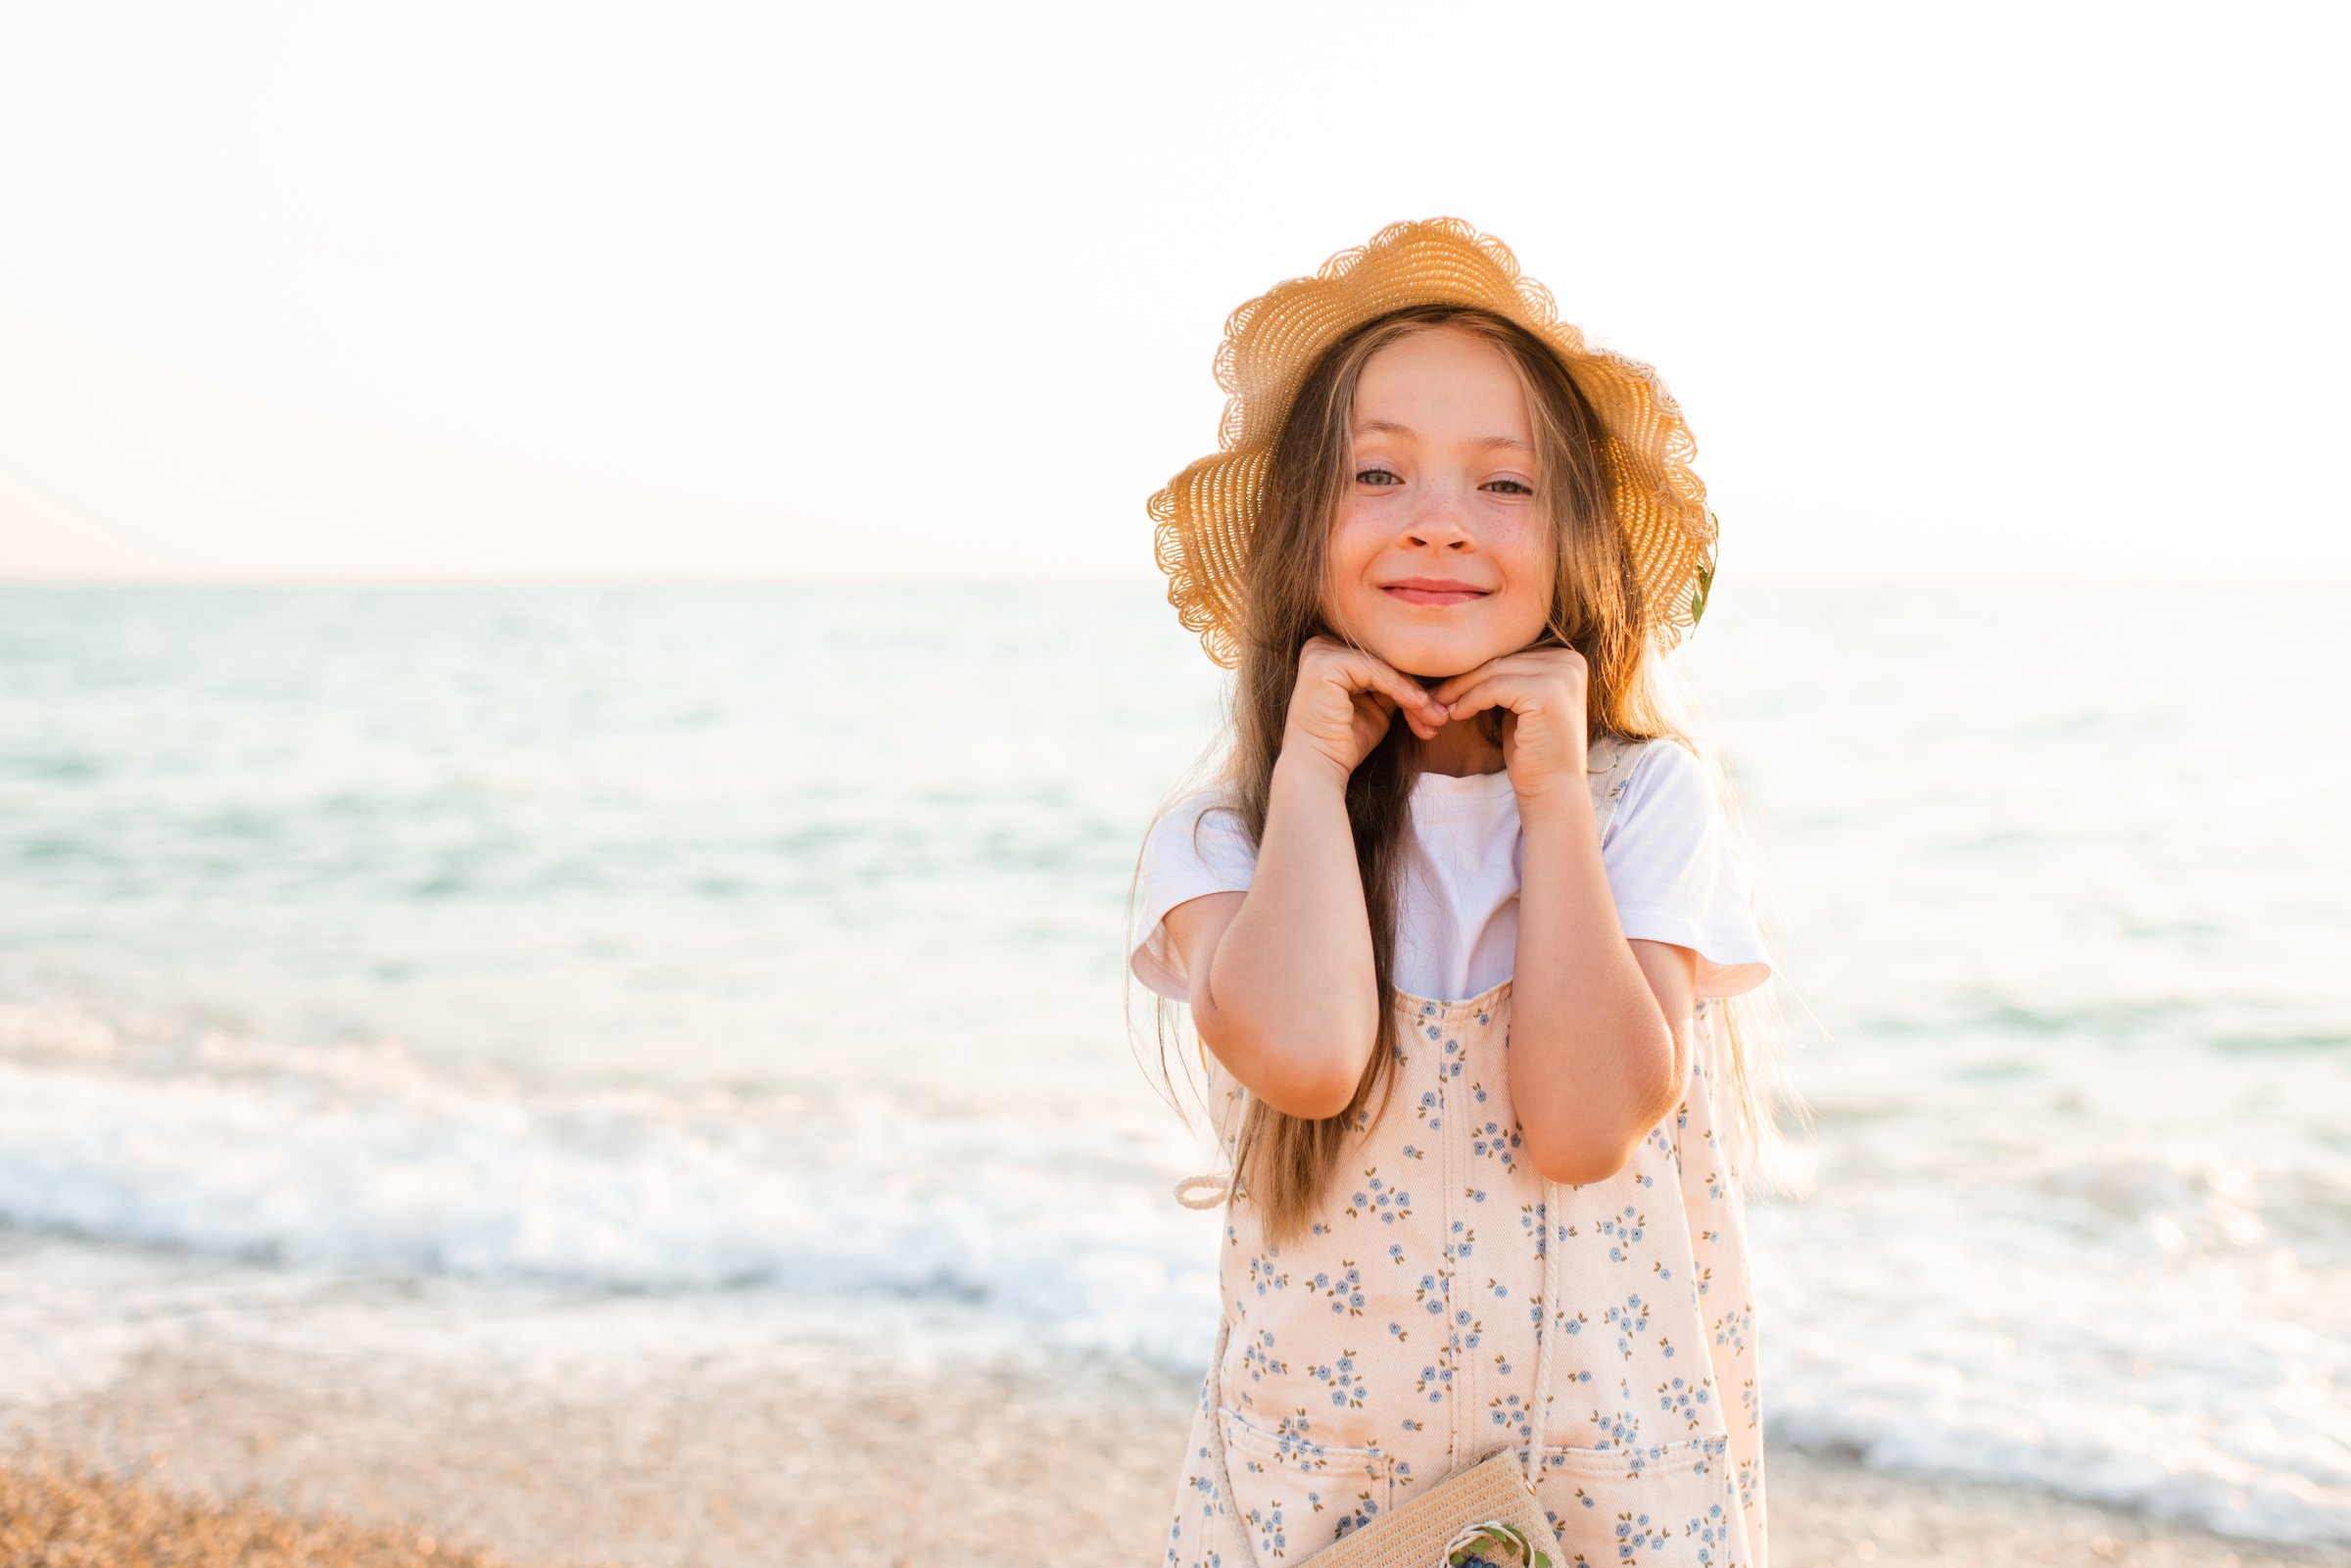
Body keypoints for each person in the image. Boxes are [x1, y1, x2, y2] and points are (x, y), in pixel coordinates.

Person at [1125, 218, 1800, 1567]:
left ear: (1577, 547)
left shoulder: (1638, 803)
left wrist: (1553, 795)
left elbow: (1586, 1119)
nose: (1440, 517)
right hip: (1320, 1493)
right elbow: (1311, 1059)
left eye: (1507, 485)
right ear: (1302, 535)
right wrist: (1312, 770)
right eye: (1379, 471)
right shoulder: (1226, 841)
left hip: (1608, 1479)